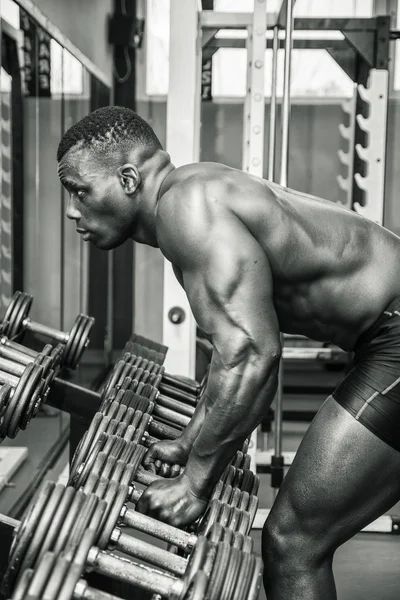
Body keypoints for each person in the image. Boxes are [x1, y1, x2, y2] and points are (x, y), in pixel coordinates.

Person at [57, 106, 400, 600]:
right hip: (384, 336)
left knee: (292, 541)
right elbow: (226, 353)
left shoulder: (186, 211)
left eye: (80, 190)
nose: (72, 210)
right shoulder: (190, 195)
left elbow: (253, 355)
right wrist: (190, 440)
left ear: (128, 178)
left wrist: (195, 484)